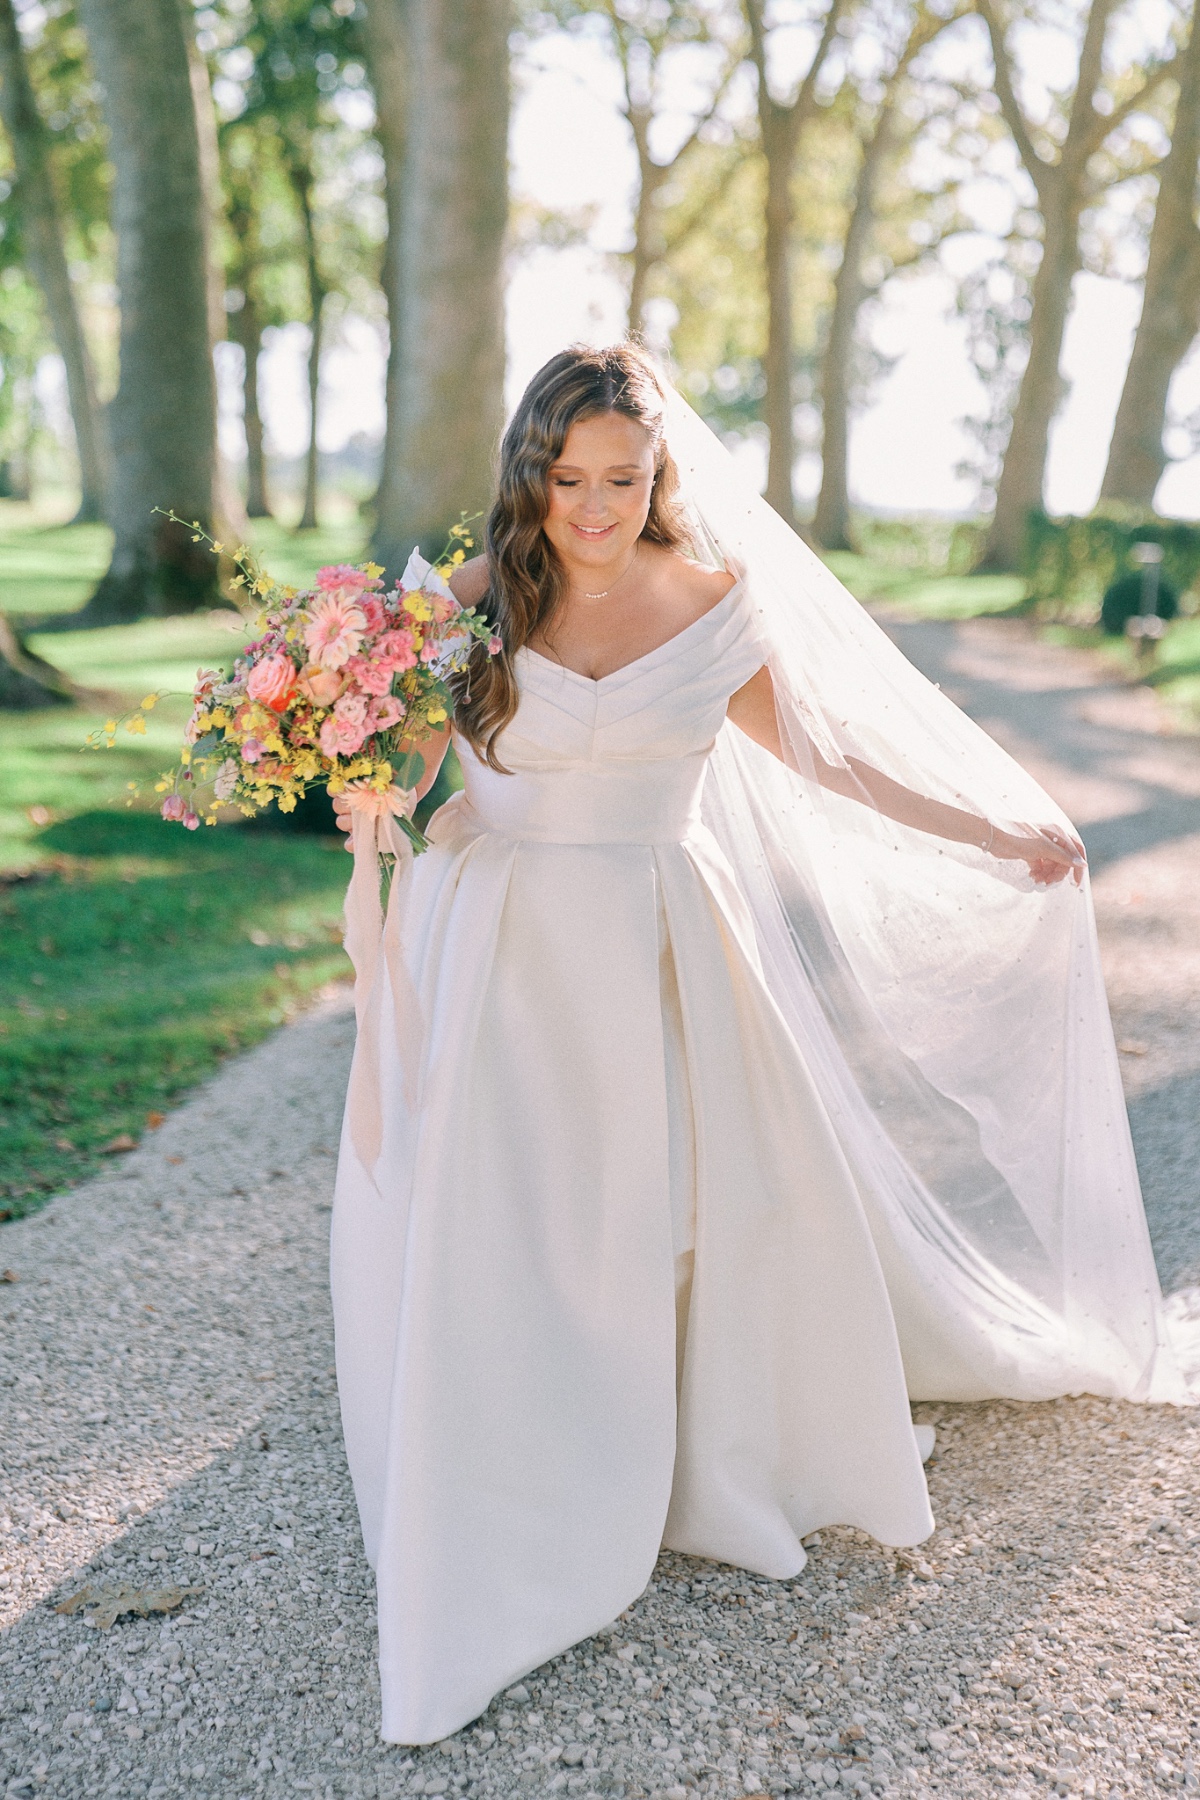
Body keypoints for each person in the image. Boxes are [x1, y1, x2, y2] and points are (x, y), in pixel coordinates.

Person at [330, 344, 1188, 1748]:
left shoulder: (718, 605)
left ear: (660, 473)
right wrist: (360, 775)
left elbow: (829, 756)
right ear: (528, 476)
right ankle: (509, 1464)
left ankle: (682, 1447)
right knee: (517, 1211)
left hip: (661, 931)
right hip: (497, 945)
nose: (594, 509)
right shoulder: (462, 607)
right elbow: (411, 778)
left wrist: (997, 828)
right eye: (567, 481)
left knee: (674, 1206)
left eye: (622, 478)